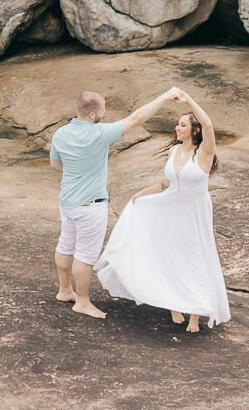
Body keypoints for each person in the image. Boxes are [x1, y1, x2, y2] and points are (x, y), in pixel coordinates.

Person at [92, 88, 231, 333]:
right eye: (177, 124)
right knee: (167, 254)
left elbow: (208, 125)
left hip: (193, 211)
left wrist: (189, 100)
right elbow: (167, 183)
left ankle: (195, 315)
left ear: (194, 131)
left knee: (194, 256)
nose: (177, 128)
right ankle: (173, 303)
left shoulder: (204, 152)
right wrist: (140, 194)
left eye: (182, 125)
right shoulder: (174, 150)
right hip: (169, 207)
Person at [50, 86, 179, 318]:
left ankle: (64, 290)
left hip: (67, 202)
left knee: (65, 244)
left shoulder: (60, 134)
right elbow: (137, 118)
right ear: (92, 114)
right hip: (90, 205)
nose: (104, 113)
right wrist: (165, 96)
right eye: (103, 110)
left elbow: (55, 165)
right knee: (84, 256)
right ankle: (82, 301)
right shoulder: (100, 133)